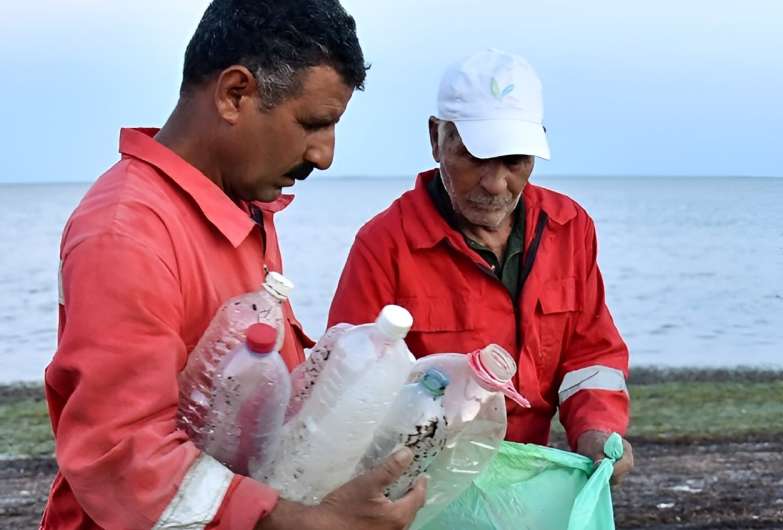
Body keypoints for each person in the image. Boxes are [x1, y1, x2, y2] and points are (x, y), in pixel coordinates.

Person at [41, 1, 425, 529]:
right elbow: (125, 457)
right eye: (314, 124)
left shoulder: (243, 206)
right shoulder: (126, 234)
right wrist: (308, 523)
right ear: (234, 93)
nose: (324, 156)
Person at [328, 49, 635, 482]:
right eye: (474, 157)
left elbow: (591, 355)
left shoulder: (570, 228)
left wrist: (597, 429)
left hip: (527, 476)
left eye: (514, 161)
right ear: (437, 139)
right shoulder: (384, 246)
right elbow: (349, 393)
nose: (495, 184)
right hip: (422, 488)